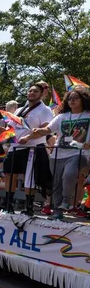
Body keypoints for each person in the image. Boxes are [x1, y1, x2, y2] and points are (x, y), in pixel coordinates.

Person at [19, 86, 90, 220]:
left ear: (83, 99)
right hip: (58, 153)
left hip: (78, 153)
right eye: (70, 98)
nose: (72, 101)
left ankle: (67, 201)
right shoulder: (62, 116)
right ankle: (58, 211)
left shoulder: (88, 115)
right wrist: (35, 132)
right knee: (56, 183)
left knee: (69, 175)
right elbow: (48, 129)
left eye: (76, 98)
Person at [0, 84, 54, 215]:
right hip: (15, 147)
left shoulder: (45, 110)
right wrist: (5, 132)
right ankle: (8, 204)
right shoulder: (19, 110)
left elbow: (45, 128)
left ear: (41, 94)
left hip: (32, 147)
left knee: (29, 177)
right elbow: (11, 127)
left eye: (36, 91)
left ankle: (28, 208)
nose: (32, 93)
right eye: (30, 90)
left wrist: (28, 137)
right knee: (9, 174)